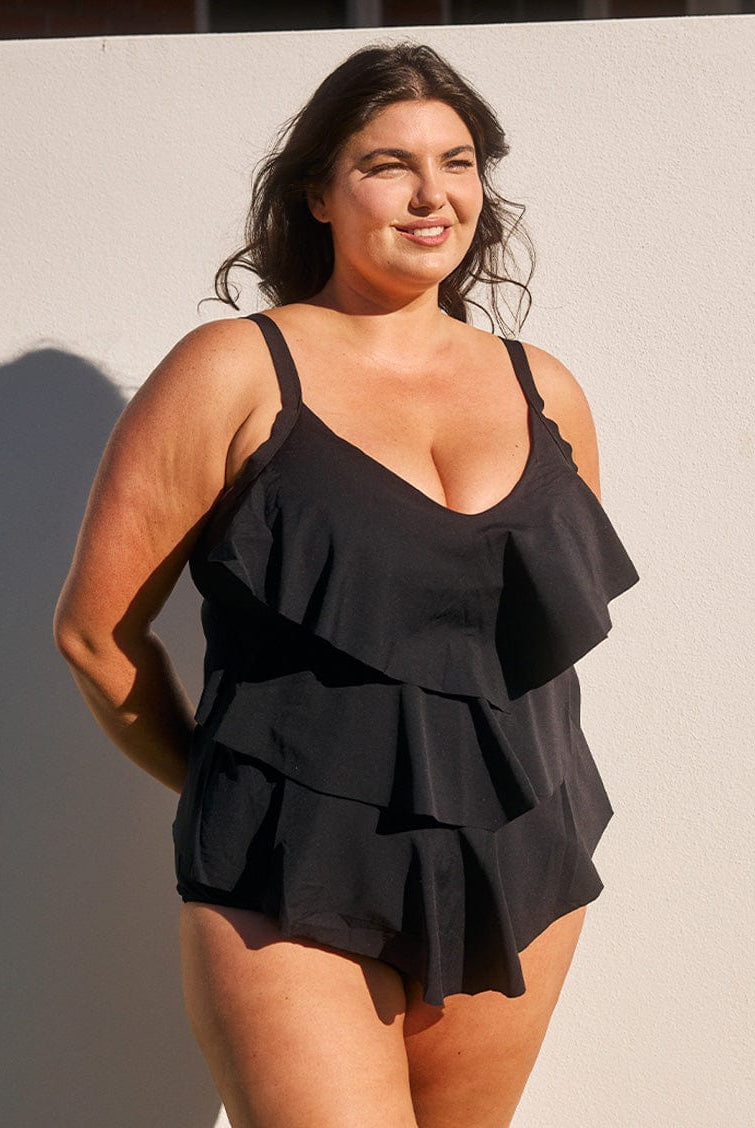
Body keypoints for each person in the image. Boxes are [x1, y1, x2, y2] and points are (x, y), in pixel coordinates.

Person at [54, 42, 638, 1128]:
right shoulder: (233, 370)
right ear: (317, 193)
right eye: (387, 165)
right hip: (289, 870)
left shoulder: (542, 389)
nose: (431, 195)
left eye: (456, 163)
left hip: (521, 861)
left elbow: (539, 644)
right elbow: (95, 636)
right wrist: (235, 788)